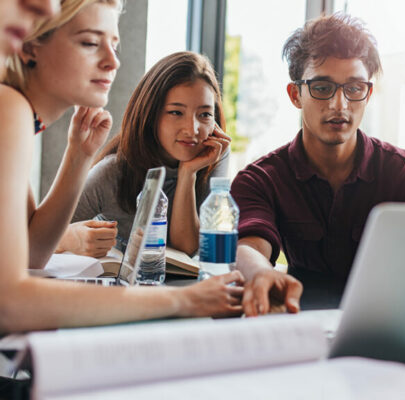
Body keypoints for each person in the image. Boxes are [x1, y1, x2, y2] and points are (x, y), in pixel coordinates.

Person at [0, 0, 243, 334]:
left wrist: (80, 155)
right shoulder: (8, 107)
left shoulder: (19, 116)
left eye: (114, 44)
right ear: (30, 44)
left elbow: (29, 258)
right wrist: (186, 301)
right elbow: (10, 302)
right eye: (89, 43)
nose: (113, 61)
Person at [232, 14, 405, 316]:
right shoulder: (261, 179)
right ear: (296, 94)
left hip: (389, 323)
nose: (339, 105)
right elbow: (249, 247)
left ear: (368, 93)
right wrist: (259, 272)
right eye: (322, 87)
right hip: (297, 321)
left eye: (354, 88)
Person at [59, 51, 230, 257]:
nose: (192, 129)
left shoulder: (213, 154)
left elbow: (185, 251)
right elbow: (35, 241)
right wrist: (70, 239)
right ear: (151, 115)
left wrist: (188, 174)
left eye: (204, 115)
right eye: (176, 112)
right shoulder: (112, 172)